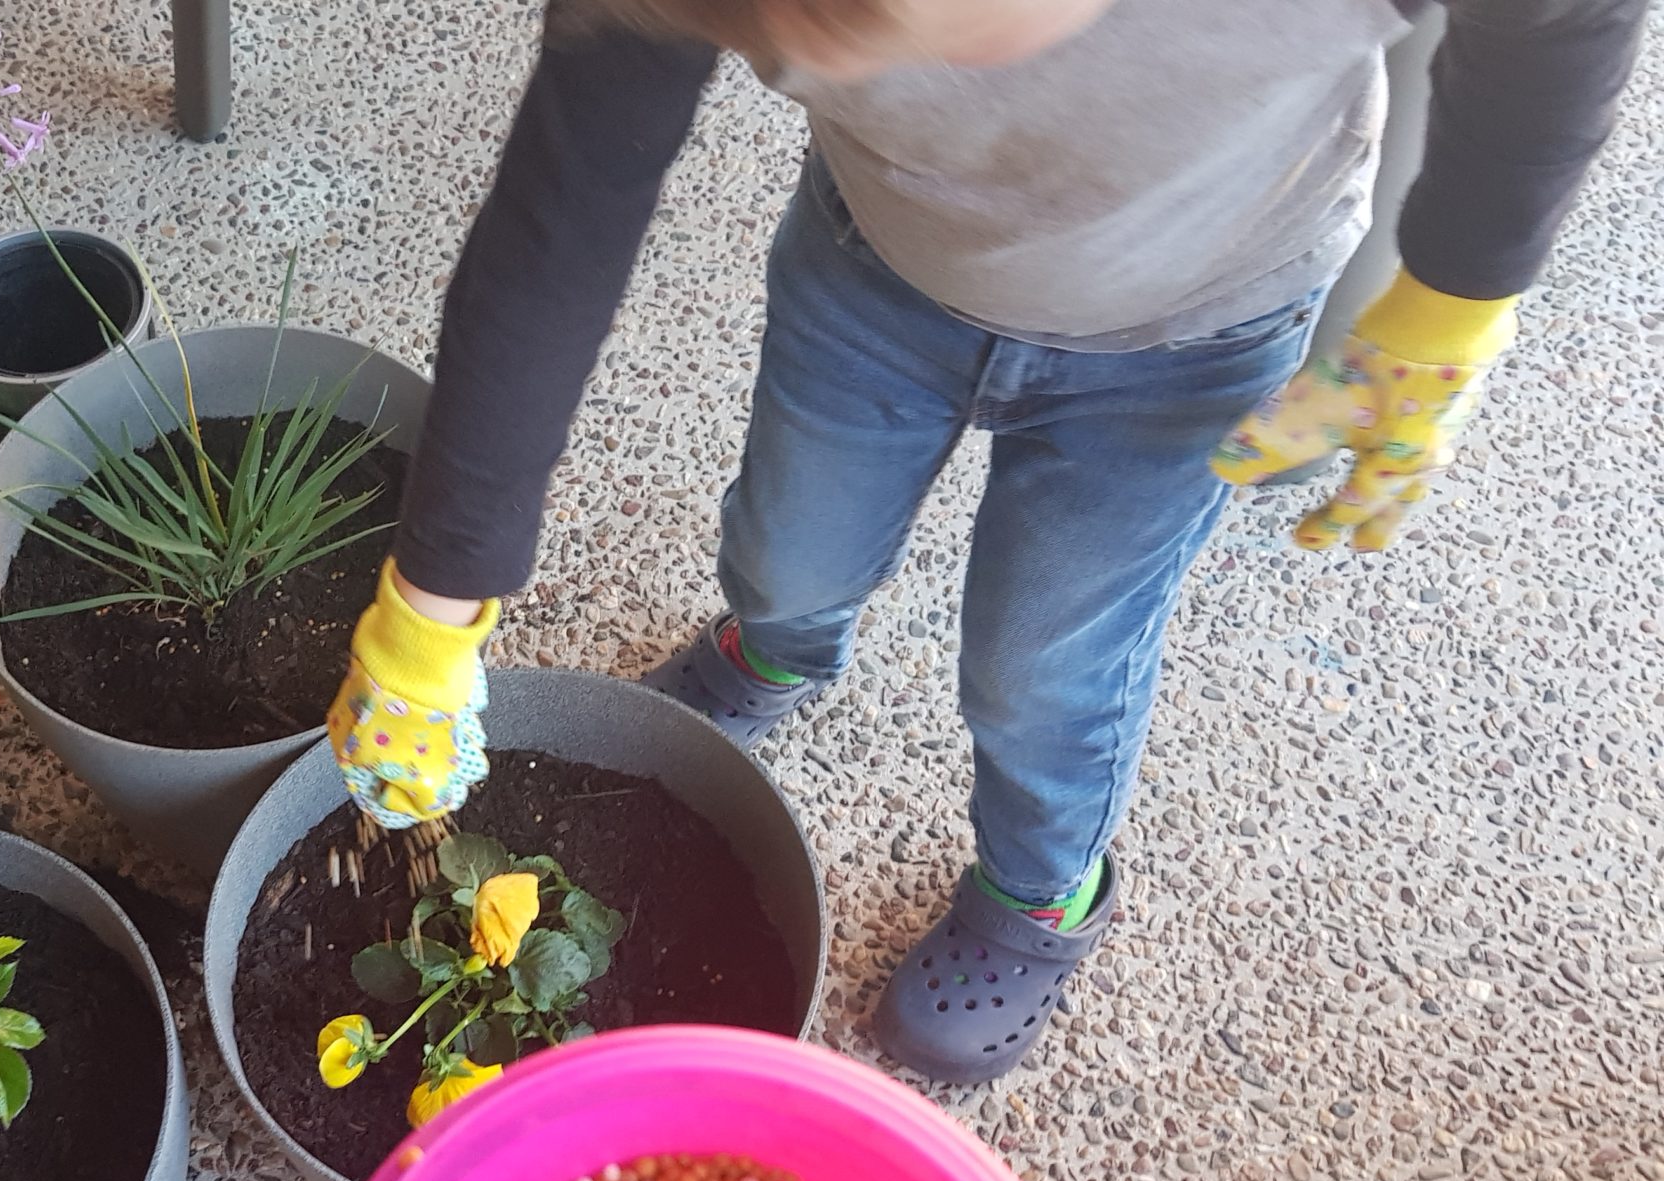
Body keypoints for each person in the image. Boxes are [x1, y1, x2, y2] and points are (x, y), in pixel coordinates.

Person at [325, 0, 1645, 1082]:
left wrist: (1458, 297)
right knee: (792, 542)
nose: (822, 67)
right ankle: (776, 651)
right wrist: (431, 602)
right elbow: (564, 209)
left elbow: (1559, 18)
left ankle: (1042, 891)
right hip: (874, 261)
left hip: (1191, 325)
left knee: (1046, 663)